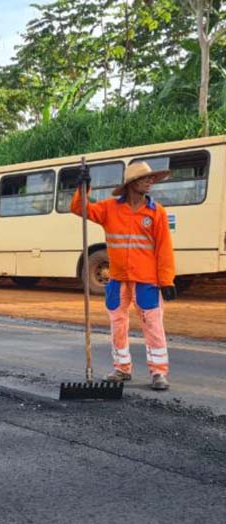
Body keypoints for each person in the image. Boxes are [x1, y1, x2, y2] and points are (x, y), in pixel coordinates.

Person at [71, 161, 176, 391]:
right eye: (145, 179)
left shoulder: (156, 212)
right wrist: (83, 187)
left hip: (147, 281)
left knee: (153, 326)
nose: (150, 182)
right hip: (117, 279)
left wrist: (167, 280)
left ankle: (159, 372)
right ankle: (121, 368)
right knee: (118, 325)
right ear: (131, 184)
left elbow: (164, 249)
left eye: (151, 179)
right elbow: (80, 208)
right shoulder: (110, 208)